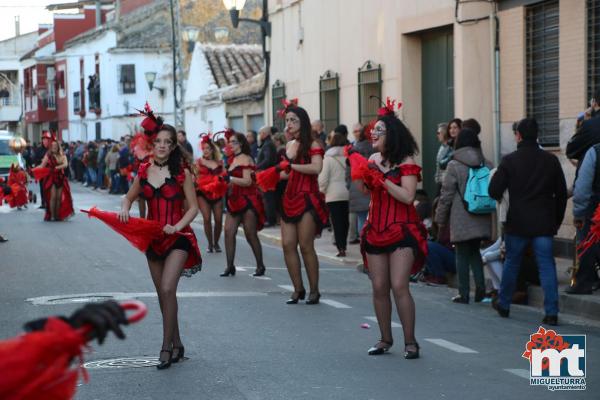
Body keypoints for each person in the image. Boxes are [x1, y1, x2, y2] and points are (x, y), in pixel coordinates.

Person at [119, 112, 202, 369]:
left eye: (168, 142)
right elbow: (129, 196)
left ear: (173, 146)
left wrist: (176, 226)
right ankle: (177, 343)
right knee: (162, 295)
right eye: (159, 142)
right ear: (152, 145)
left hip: (178, 236)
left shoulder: (182, 173)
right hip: (153, 239)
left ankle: (165, 347)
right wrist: (125, 208)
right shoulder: (143, 172)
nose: (163, 145)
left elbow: (194, 208)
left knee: (167, 289)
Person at [357, 99, 427, 359]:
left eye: (379, 130)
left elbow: (408, 197)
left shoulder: (406, 161)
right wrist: (365, 179)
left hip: (401, 229)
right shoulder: (373, 158)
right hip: (376, 227)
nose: (372, 133)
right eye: (373, 130)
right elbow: (365, 192)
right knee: (378, 287)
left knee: (399, 285)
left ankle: (411, 342)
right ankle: (385, 338)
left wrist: (383, 181)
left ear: (392, 135)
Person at [489, 117, 567, 326]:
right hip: (544, 224)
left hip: (518, 223)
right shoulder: (550, 161)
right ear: (537, 135)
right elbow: (561, 194)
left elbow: (493, 190)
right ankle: (551, 312)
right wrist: (556, 221)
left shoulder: (510, 161)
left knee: (512, 263)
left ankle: (504, 304)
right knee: (547, 266)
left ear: (519, 136)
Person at [435, 128, 492, 304]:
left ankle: (464, 292)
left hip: (461, 214)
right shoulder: (486, 163)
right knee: (475, 251)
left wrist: (440, 220)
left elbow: (446, 196)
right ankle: (481, 290)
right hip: (482, 212)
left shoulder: (454, 165)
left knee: (461, 253)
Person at [280, 105, 328, 305]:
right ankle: (298, 289)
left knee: (306, 246)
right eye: (287, 120)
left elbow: (317, 168)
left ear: (303, 122)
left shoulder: (314, 143)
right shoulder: (290, 144)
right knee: (287, 244)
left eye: (293, 120)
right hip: (289, 196)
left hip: (307, 196)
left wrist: (291, 166)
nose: (289, 124)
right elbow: (286, 174)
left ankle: (314, 290)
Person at [221, 132, 267, 277]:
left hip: (248, 198)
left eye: (234, 142)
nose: (230, 144)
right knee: (228, 232)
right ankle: (230, 266)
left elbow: (248, 181)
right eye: (229, 142)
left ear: (241, 143)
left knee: (250, 234)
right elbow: (230, 181)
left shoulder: (246, 158)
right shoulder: (232, 160)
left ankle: (260, 265)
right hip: (234, 199)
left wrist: (230, 178)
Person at [571, 142, 600, 293]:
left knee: (588, 244)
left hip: (596, 211)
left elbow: (582, 188)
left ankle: (585, 282)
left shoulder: (594, 152)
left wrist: (579, 213)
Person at [319, 130, 349, 257]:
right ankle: (344, 244)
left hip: (333, 194)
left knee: (336, 222)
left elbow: (323, 178)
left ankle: (340, 247)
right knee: (345, 221)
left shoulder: (328, 158)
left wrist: (322, 190)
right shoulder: (348, 157)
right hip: (347, 193)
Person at [196, 136, 225, 253]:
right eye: (204, 148)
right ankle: (210, 244)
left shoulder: (219, 162)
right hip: (202, 193)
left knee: (218, 220)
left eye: (208, 148)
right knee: (207, 218)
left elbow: (223, 176)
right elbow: (195, 176)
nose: (206, 151)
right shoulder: (198, 162)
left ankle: (216, 242)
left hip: (217, 193)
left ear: (213, 149)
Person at [347, 123, 373, 244]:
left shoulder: (353, 150)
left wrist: (349, 185)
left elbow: (348, 172)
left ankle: (364, 246)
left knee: (362, 218)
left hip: (356, 186)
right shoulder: (375, 148)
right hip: (372, 185)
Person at [40, 138, 74, 222]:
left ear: (58, 146)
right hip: (51, 177)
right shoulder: (48, 155)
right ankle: (52, 215)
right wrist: (33, 170)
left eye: (55, 145)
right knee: (53, 197)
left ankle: (57, 215)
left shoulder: (62, 155)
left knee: (59, 198)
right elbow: (42, 166)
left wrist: (57, 167)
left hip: (60, 177)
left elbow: (65, 164)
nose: (54, 147)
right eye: (52, 145)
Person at [256, 126, 279, 227]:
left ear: (264, 134)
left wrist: (257, 167)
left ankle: (270, 220)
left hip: (267, 173)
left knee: (268, 197)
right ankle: (270, 219)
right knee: (267, 197)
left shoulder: (268, 145)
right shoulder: (267, 144)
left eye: (260, 133)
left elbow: (268, 160)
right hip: (267, 172)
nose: (259, 136)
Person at [434, 122, 449, 193]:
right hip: (440, 182)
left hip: (446, 183)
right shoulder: (442, 147)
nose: (437, 135)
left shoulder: (450, 148)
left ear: (445, 133)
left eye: (439, 133)